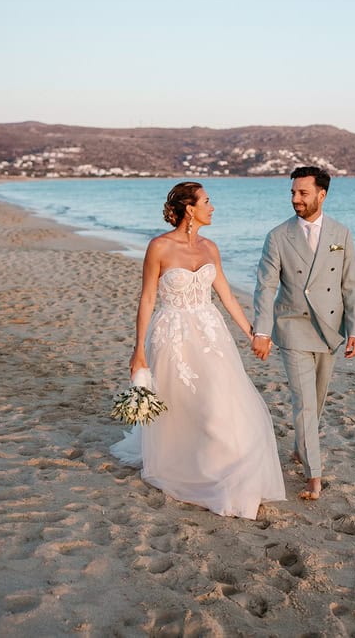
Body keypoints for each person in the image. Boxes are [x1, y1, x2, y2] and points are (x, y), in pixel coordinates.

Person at [110, 181, 286, 520]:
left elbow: (227, 296)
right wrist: (138, 352)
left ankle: (227, 469)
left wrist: (253, 333)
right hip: (172, 336)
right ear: (189, 208)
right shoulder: (159, 247)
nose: (212, 207)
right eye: (207, 201)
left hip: (210, 335)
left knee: (220, 402)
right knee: (185, 406)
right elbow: (147, 299)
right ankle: (192, 469)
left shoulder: (210, 248)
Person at [253, 166, 355, 500]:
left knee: (318, 399)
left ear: (321, 194)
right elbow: (265, 287)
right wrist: (262, 331)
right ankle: (314, 476)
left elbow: (351, 285)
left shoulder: (340, 234)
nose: (296, 199)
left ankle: (302, 448)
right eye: (292, 193)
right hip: (293, 326)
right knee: (305, 404)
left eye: (302, 193)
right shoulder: (278, 236)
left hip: (330, 330)